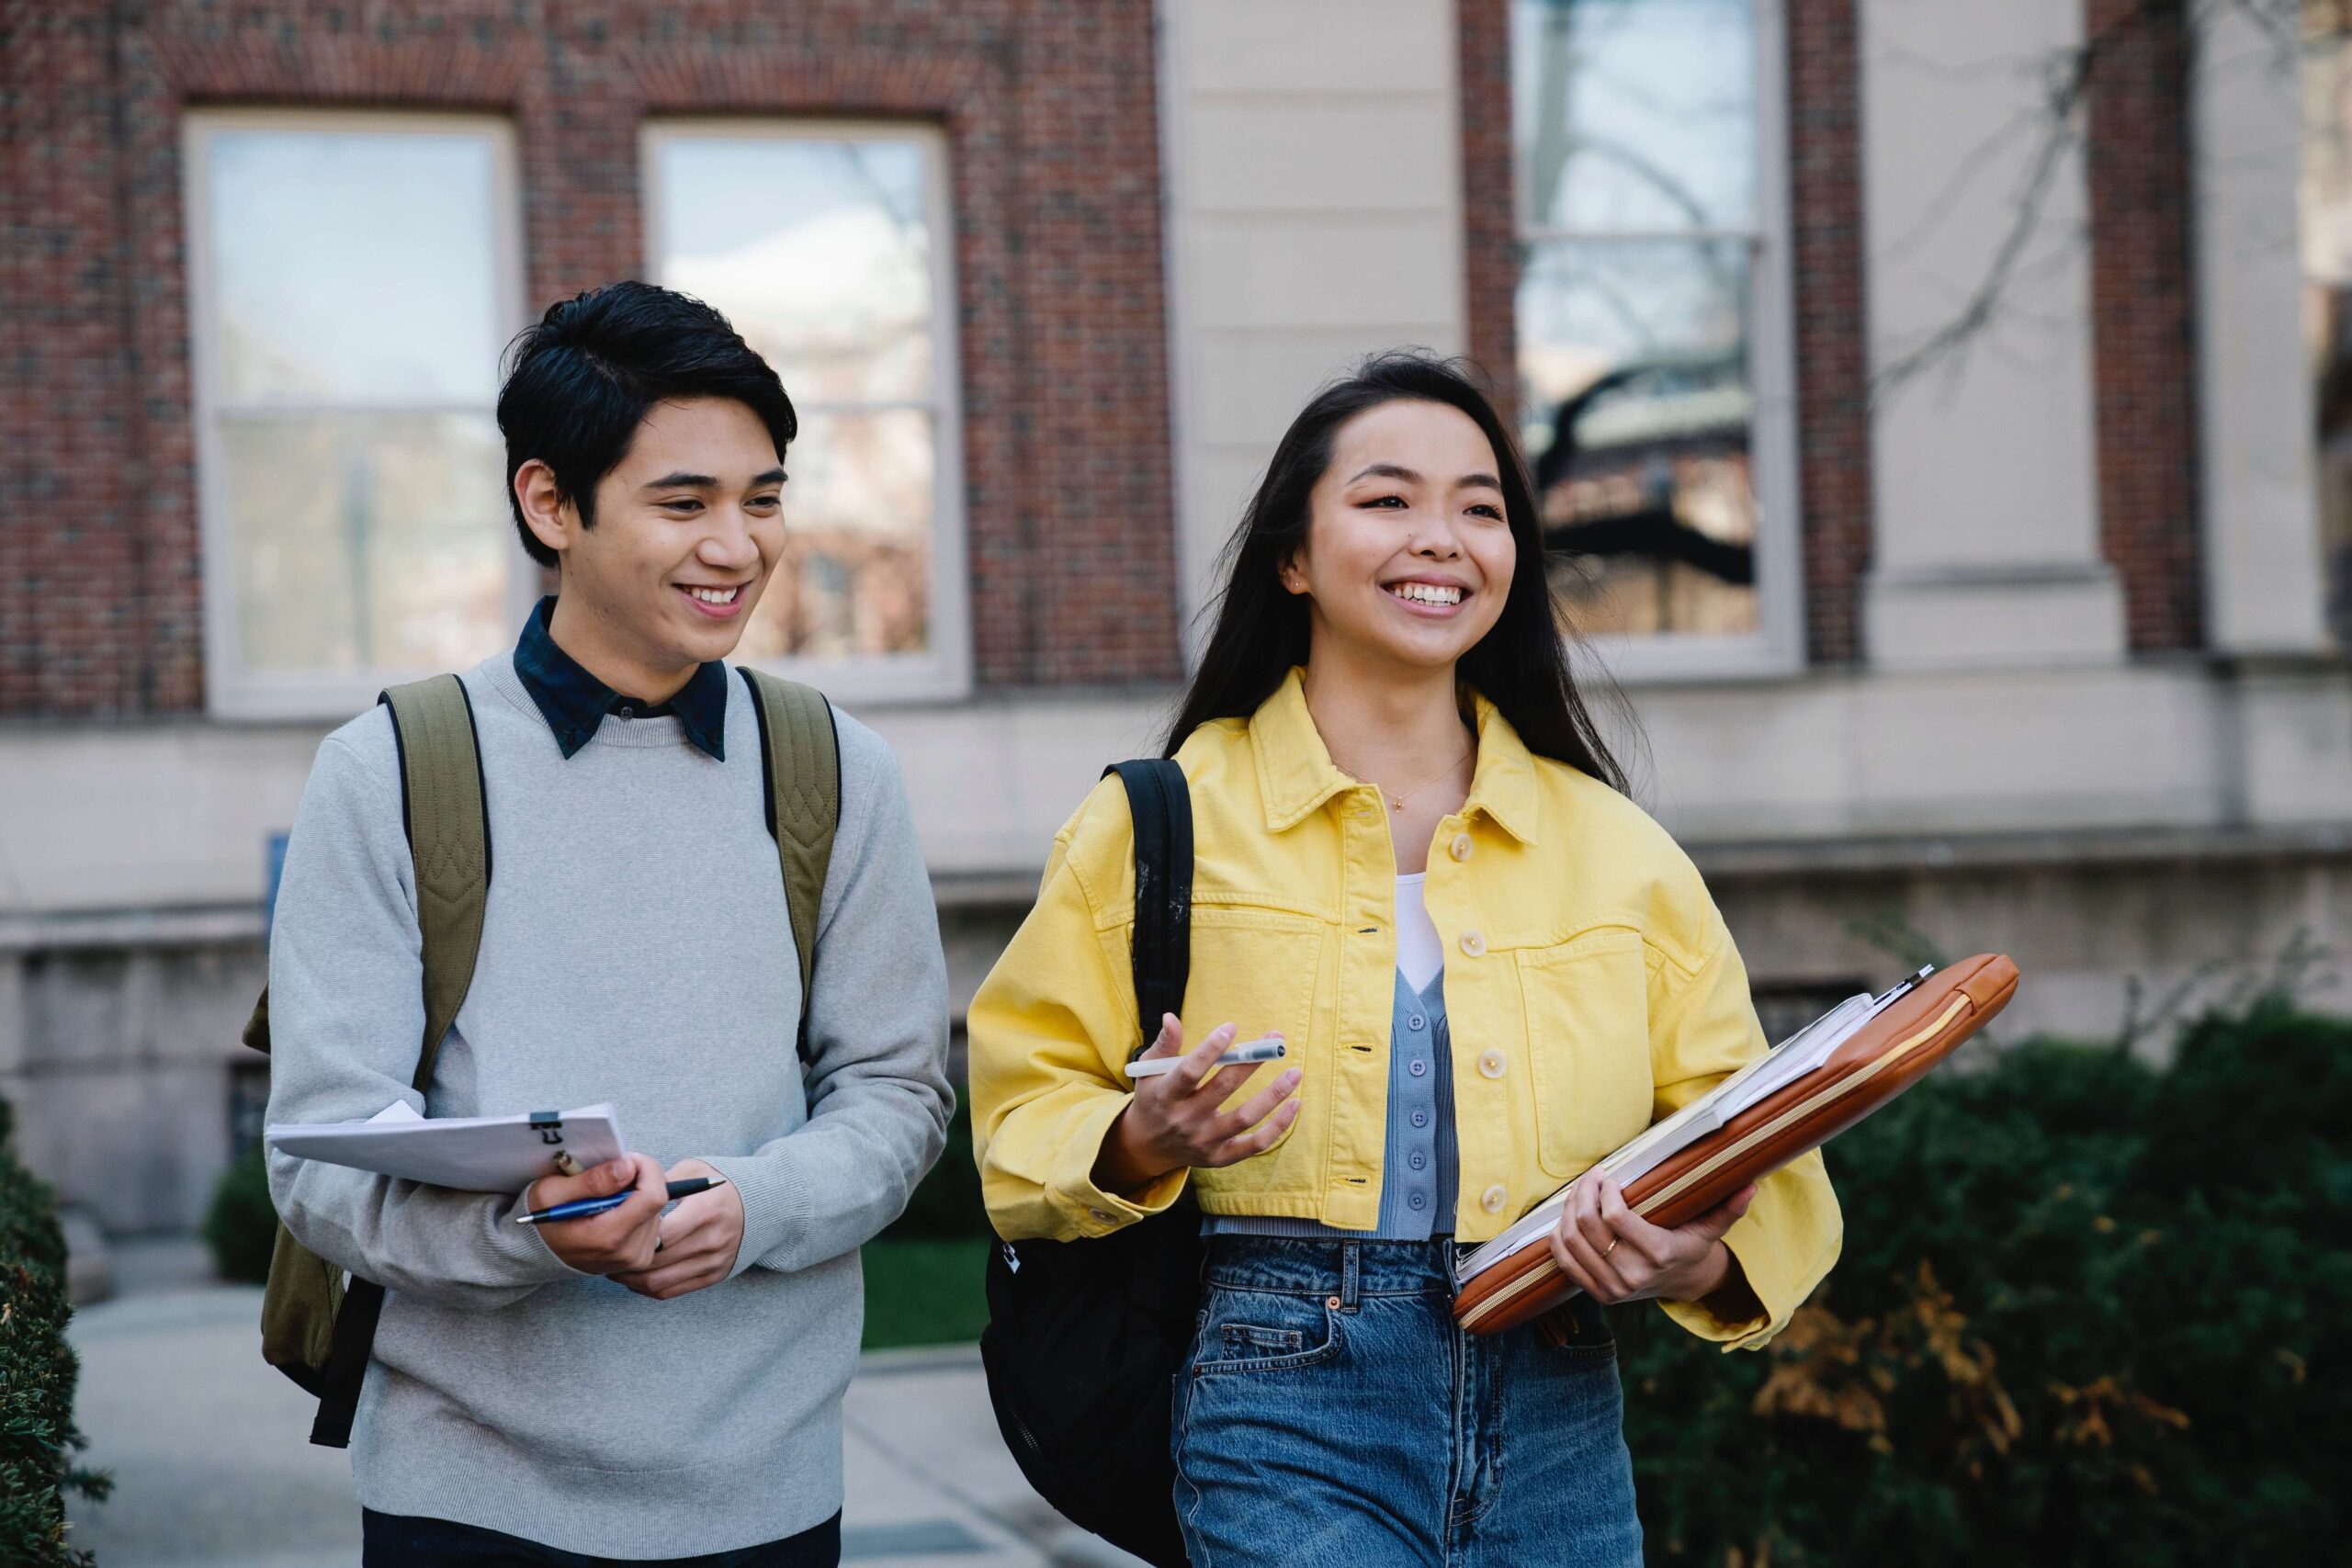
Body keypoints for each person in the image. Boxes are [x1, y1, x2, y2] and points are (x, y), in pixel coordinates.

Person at [966, 353, 1840, 1565]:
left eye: (1481, 509)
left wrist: (1697, 1257)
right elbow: (1019, 1115)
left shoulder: (1618, 852)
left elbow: (1768, 1154)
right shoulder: (1157, 823)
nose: (1443, 539)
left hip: (1562, 1409)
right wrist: (1140, 1137)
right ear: (1293, 556)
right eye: (1388, 501)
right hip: (1280, 1405)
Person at [266, 280, 954, 1566]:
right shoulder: (393, 769)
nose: (737, 547)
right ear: (549, 504)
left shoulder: (837, 768)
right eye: (683, 503)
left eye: (762, 500)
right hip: (466, 1497)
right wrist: (529, 1232)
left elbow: (898, 1097)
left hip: (771, 1492)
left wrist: (752, 1204)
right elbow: (320, 1161)